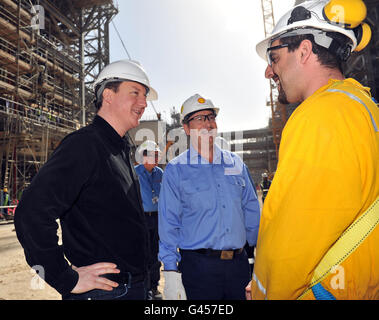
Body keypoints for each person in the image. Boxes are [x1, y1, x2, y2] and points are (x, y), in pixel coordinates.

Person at [248, 0, 379, 300]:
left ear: (304, 51)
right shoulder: (365, 108)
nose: (269, 71)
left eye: (274, 57)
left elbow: (291, 244)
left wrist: (263, 290)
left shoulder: (320, 115)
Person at [14, 59, 158, 300]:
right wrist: (63, 277)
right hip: (105, 293)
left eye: (144, 95)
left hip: (133, 287)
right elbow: (32, 213)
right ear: (108, 96)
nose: (143, 103)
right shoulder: (85, 145)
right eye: (135, 93)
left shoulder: (119, 150)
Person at [158, 94, 261, 300]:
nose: (207, 123)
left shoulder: (236, 164)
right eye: (199, 119)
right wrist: (170, 271)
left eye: (210, 117)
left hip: (238, 267)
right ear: (186, 129)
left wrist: (255, 254)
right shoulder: (177, 169)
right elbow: (169, 223)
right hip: (199, 269)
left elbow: (251, 210)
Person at [134, 140, 164, 300]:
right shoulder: (134, 173)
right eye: (154, 155)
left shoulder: (160, 174)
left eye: (158, 155)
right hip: (141, 219)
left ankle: (154, 286)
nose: (157, 158)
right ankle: (143, 288)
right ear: (144, 157)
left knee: (155, 254)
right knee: (142, 254)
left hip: (157, 219)